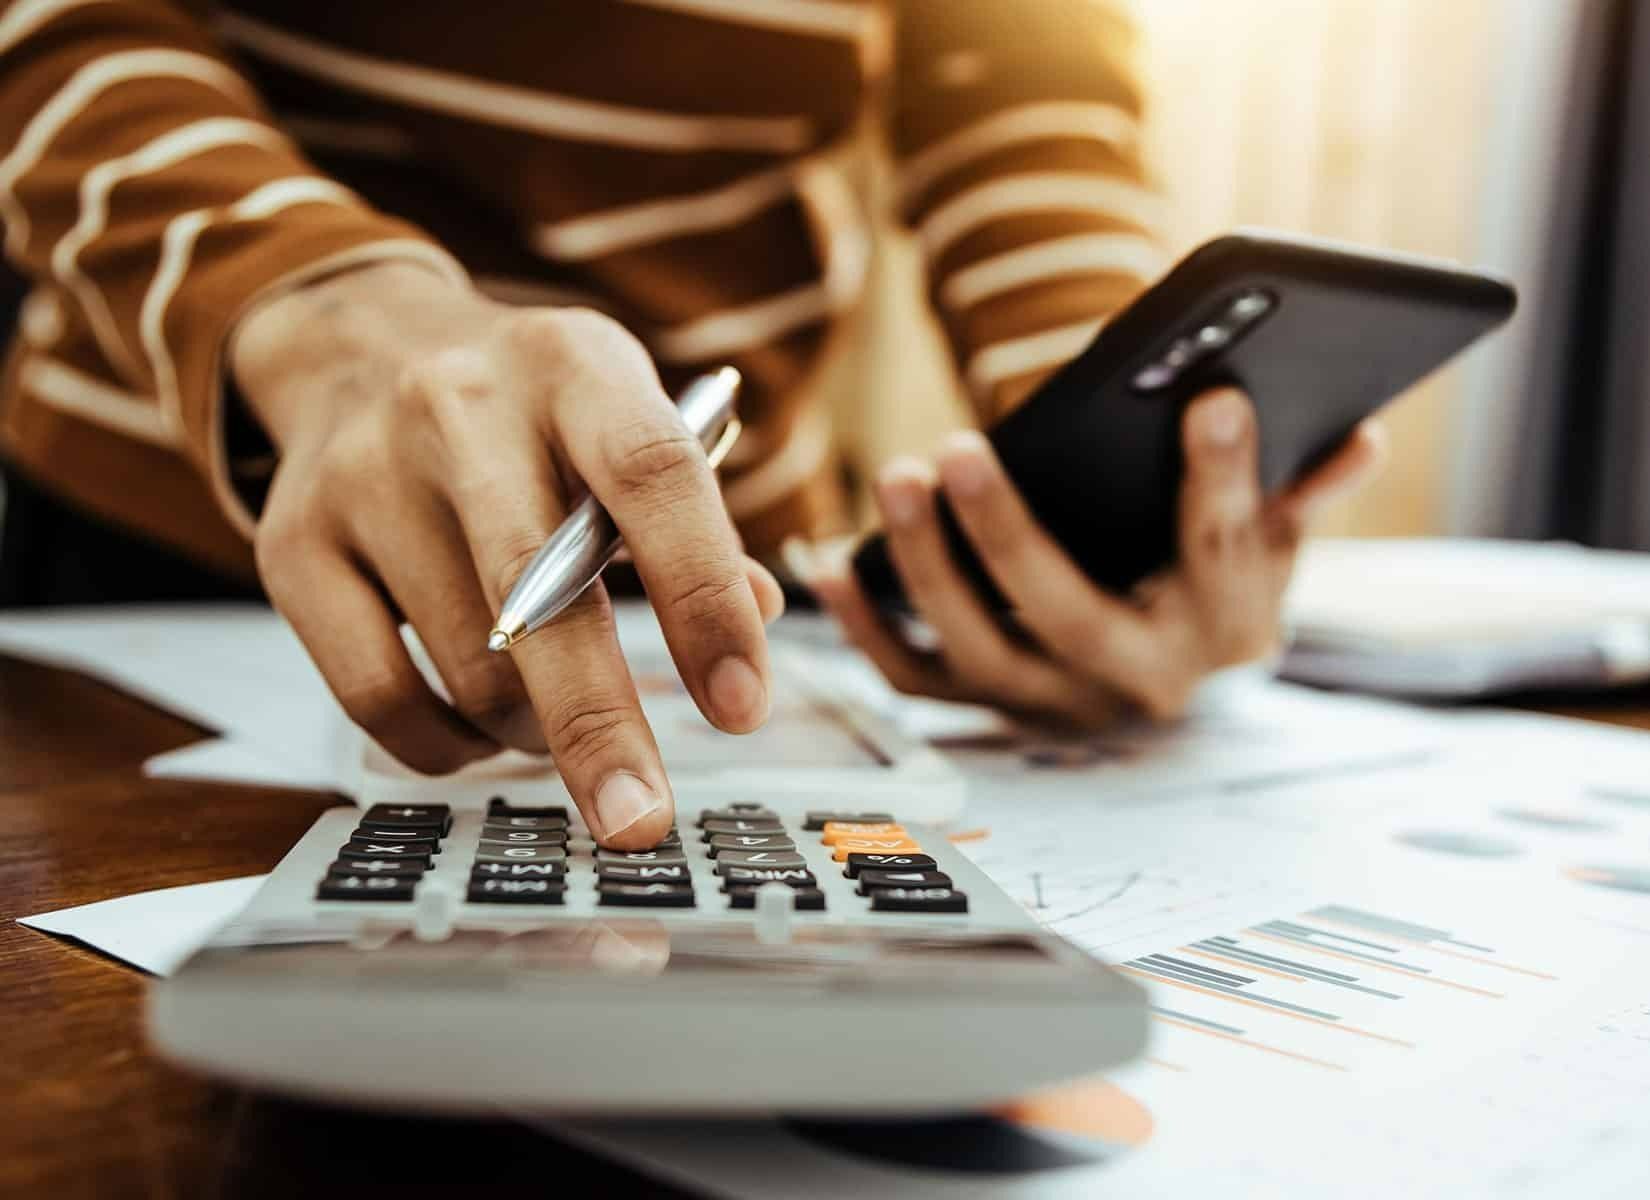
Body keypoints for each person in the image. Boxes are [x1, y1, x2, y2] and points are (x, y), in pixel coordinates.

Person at [0, 0, 1382, 848]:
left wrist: (1106, 448)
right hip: (181, 527)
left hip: (729, 571)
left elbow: (1021, 88)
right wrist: (313, 302)